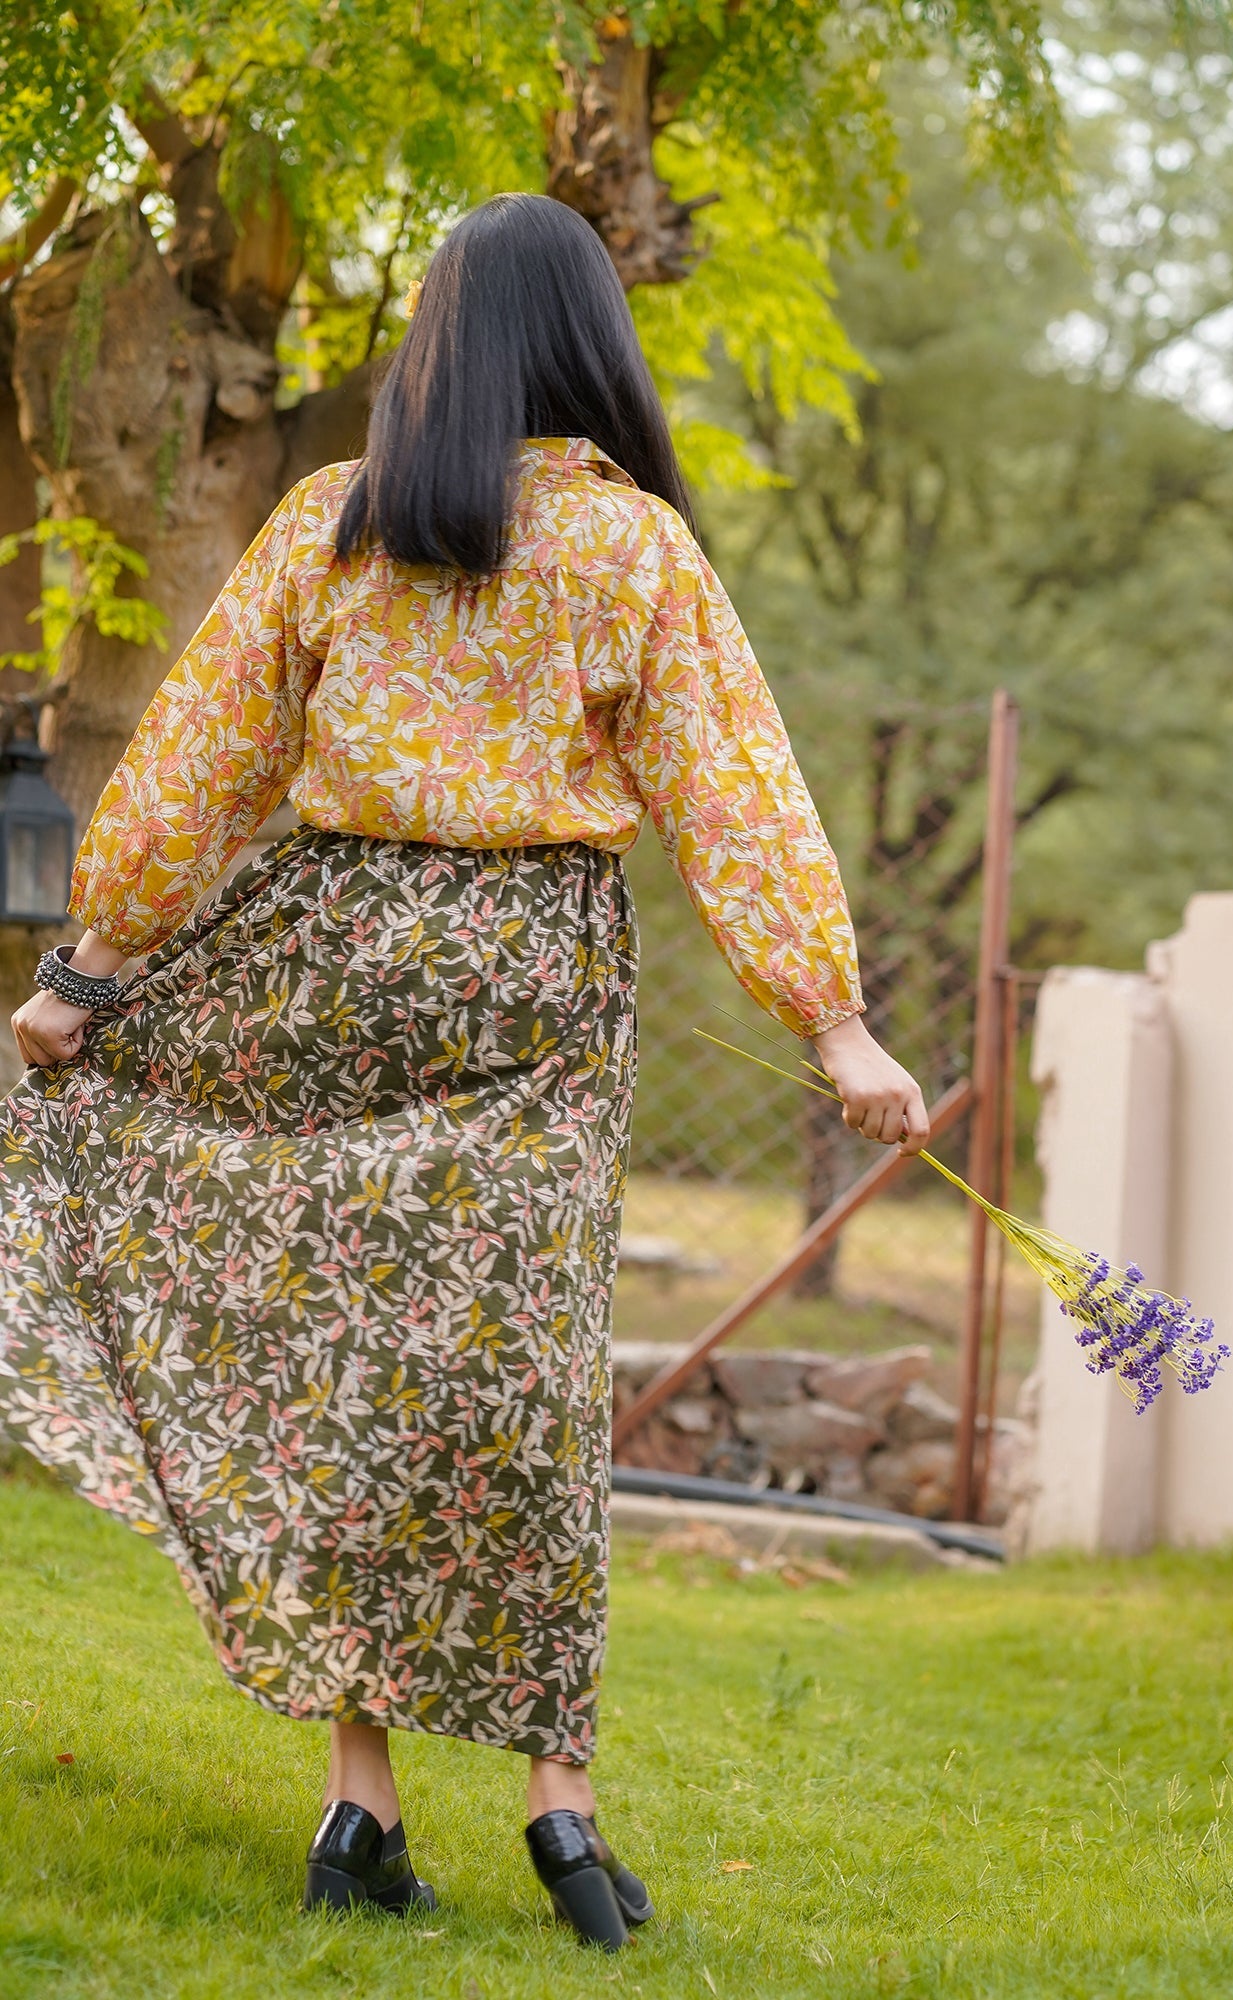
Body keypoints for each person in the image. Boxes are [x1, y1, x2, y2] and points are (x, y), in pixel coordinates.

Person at [0, 192, 929, 1948]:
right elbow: (734, 796)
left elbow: (201, 764)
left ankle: (360, 1811)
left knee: (351, 1376)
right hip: (531, 986)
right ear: (590, 339)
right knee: (518, 1397)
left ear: (437, 339)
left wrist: (88, 975)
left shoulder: (326, 525)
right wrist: (832, 1020)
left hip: (330, 958)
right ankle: (560, 1819)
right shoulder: (632, 550)